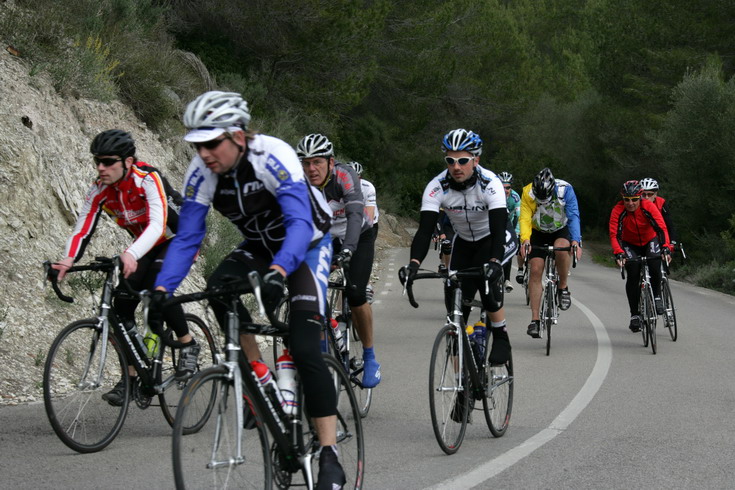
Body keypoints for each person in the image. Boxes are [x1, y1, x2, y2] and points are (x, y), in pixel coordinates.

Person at [152, 92, 345, 488]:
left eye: (211, 143)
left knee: (305, 347)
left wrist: (279, 270)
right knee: (217, 288)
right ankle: (259, 376)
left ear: (238, 136)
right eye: (198, 144)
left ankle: (329, 452)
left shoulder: (272, 156)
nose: (204, 153)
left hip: (307, 245)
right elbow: (187, 237)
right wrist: (161, 288)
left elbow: (298, 224)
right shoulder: (202, 171)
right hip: (260, 245)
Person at [50, 129, 199, 406]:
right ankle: (130, 377)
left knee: (158, 286)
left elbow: (158, 225)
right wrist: (67, 259)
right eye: (97, 161)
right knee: (120, 307)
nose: (101, 168)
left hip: (180, 238)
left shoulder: (147, 178)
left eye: (108, 162)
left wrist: (130, 253)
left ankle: (187, 343)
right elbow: (83, 228)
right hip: (148, 244)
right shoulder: (100, 189)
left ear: (128, 162)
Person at [403, 128, 516, 366]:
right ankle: (460, 382)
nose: (456, 167)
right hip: (464, 241)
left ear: (476, 160)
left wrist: (495, 262)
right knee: (455, 307)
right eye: (450, 160)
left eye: (463, 160)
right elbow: (424, 231)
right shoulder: (437, 186)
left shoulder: (490, 183)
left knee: (486, 285)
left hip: (492, 236)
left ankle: (501, 336)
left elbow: (498, 229)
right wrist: (413, 264)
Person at [296, 135, 381, 389]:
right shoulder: (299, 181)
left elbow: (355, 215)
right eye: (306, 163)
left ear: (331, 162)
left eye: (317, 162)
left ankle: (369, 356)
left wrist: (348, 251)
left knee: (355, 294)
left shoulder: (345, 176)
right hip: (325, 237)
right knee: (308, 292)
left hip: (357, 236)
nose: (311, 168)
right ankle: (325, 342)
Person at [519, 167, 582, 338]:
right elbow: (524, 218)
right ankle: (535, 320)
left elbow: (573, 215)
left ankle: (563, 287)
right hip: (538, 231)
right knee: (535, 269)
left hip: (560, 229)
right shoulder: (527, 193)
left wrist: (576, 241)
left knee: (562, 250)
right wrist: (525, 240)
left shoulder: (565, 190)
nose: (542, 202)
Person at [609, 180, 671, 332]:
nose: (630, 203)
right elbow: (614, 235)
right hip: (630, 243)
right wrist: (619, 252)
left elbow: (661, 228)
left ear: (640, 197)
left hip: (650, 240)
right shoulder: (618, 210)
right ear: (622, 198)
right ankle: (634, 315)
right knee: (633, 273)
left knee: (655, 264)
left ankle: (657, 297)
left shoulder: (648, 206)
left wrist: (665, 247)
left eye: (634, 199)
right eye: (627, 200)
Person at [347, 160, 379, 302]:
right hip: (349, 224)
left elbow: (369, 219)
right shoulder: (340, 186)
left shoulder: (368, 187)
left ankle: (366, 283)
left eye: (357, 177)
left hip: (368, 225)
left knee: (362, 255)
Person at [498, 171, 520, 292]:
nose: (505, 190)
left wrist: (517, 233)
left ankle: (507, 279)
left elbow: (519, 216)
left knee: (509, 247)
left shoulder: (515, 197)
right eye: (503, 187)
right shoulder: (493, 195)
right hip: (495, 224)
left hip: (509, 225)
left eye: (508, 187)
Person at [640, 177, 679, 246]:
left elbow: (669, 224)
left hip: (657, 237)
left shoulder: (661, 203)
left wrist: (672, 242)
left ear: (655, 194)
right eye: (643, 194)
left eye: (649, 194)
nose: (646, 197)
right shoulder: (634, 203)